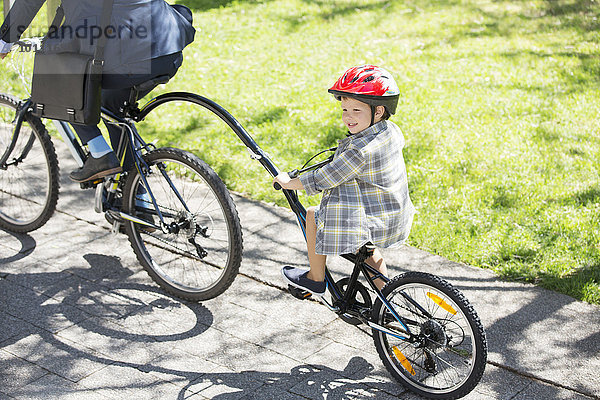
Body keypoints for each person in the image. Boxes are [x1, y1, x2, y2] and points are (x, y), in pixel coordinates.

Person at [0, 0, 195, 182]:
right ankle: (134, 197)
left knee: (56, 84)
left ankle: (99, 153)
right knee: (113, 108)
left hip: (124, 55)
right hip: (167, 45)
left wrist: (4, 40)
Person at [274, 65, 416, 295]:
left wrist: (288, 182)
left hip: (372, 221)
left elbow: (325, 178)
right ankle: (387, 301)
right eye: (345, 109)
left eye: (356, 111)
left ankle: (315, 279)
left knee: (313, 215)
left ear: (378, 111)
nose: (348, 117)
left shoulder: (360, 151)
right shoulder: (390, 130)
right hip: (393, 215)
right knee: (368, 252)